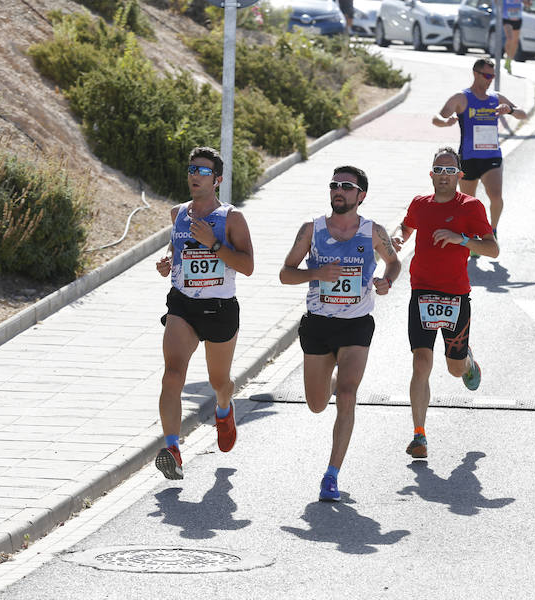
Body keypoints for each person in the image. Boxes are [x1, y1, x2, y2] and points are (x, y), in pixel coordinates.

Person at [280, 165, 400, 501]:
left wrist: (387, 281)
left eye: (347, 187)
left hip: (356, 324)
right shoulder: (312, 229)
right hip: (319, 324)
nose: (339, 191)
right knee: (317, 404)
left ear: (361, 195)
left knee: (347, 395)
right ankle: (331, 380)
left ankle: (331, 475)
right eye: (335, 185)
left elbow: (394, 262)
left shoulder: (373, 232)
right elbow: (286, 274)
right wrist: (316, 273)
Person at [391, 147, 499, 460]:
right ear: (431, 174)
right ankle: (419, 435)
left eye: (450, 171)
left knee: (454, 369)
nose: (444, 176)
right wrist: (398, 237)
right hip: (422, 292)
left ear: (459, 175)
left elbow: (493, 249)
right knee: (421, 362)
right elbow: (406, 226)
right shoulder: (420, 204)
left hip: (455, 295)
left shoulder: (470, 207)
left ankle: (468, 363)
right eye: (439, 170)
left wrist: (461, 239)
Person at [154, 146, 255, 480]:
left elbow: (248, 266)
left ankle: (224, 410)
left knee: (219, 382)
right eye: (191, 169)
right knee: (172, 374)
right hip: (183, 304)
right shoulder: (178, 213)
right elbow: (177, 246)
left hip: (220, 308)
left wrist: (214, 243)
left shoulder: (231, 218)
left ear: (217, 180)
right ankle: (172, 449)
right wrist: (167, 260)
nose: (194, 175)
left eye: (202, 171)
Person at [432, 57, 528, 237]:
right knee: (470, 202)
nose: (490, 80)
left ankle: (492, 230)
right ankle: (473, 235)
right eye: (487, 75)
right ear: (475, 74)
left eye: (493, 76)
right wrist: (446, 122)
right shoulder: (461, 97)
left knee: (496, 196)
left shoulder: (496, 98)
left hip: (492, 156)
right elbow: (437, 117)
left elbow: (523, 114)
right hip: (468, 157)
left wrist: (510, 110)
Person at [501, 0, 527, 75]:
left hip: (517, 19)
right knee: (509, 38)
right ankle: (507, 56)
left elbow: (527, 4)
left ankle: (509, 61)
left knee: (515, 42)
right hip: (507, 18)